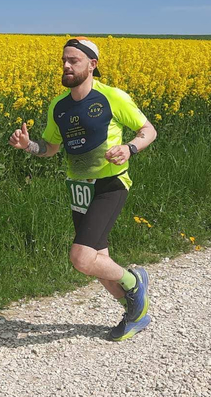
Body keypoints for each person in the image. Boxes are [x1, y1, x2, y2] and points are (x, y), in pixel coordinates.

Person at [9, 37, 158, 341]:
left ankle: (134, 282)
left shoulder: (111, 97)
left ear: (92, 65)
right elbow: (50, 148)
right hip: (78, 187)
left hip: (110, 182)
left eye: (73, 60)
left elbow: (148, 131)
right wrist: (28, 146)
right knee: (97, 262)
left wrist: (130, 149)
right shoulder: (58, 107)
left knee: (81, 257)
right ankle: (136, 313)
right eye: (63, 60)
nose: (65, 65)